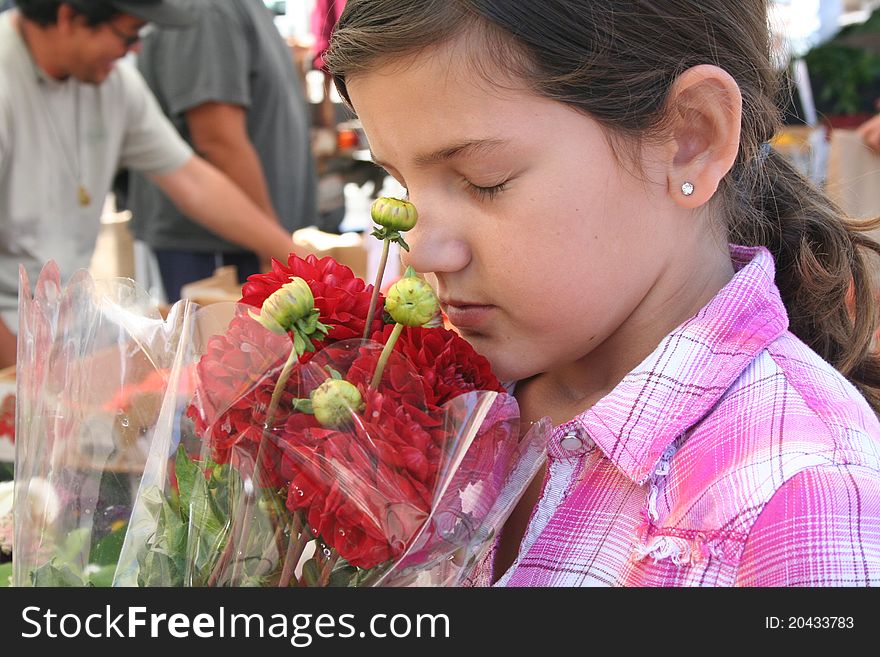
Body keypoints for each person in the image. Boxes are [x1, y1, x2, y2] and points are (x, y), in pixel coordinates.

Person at [325, 0, 880, 586]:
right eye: (401, 183)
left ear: (691, 138)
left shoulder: (800, 497)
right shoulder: (442, 395)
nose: (422, 250)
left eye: (485, 181)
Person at [0, 0, 300, 368]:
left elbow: (192, 180)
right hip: (10, 331)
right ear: (68, 17)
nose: (136, 49)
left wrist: (288, 255)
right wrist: (21, 376)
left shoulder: (113, 84)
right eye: (128, 36)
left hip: (71, 323)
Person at [128, 0, 318, 303]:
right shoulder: (209, 9)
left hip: (252, 235)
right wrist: (274, 246)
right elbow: (218, 139)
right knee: (224, 345)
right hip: (217, 242)